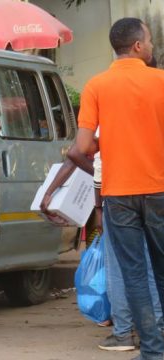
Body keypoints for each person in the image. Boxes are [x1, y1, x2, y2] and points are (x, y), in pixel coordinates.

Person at [68, 18, 164, 360]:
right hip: (160, 191)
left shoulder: (97, 85)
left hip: (118, 195)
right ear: (138, 46)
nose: (152, 47)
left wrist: (105, 143)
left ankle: (153, 351)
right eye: (150, 41)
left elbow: (80, 147)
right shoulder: (162, 81)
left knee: (135, 274)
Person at [41, 142, 163, 352]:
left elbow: (79, 155)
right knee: (151, 267)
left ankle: (124, 333)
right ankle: (155, 331)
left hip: (118, 198)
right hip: (153, 193)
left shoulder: (107, 114)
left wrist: (98, 207)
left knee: (120, 269)